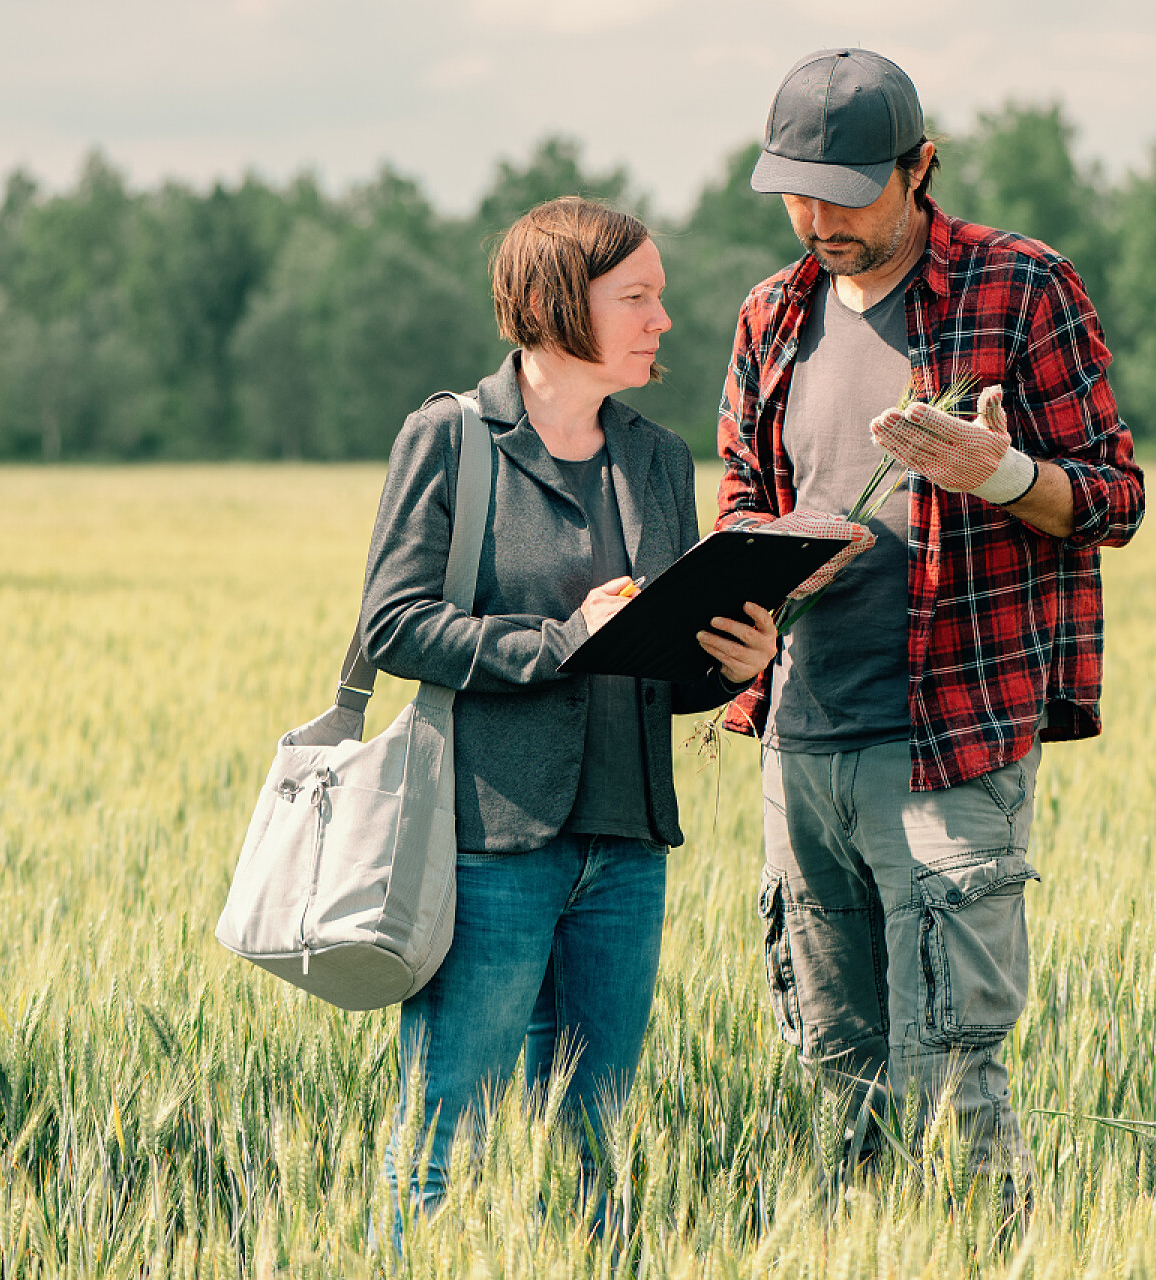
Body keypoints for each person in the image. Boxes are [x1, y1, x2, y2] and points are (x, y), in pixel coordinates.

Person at [714, 49, 1146, 1201]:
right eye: (797, 191)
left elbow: (1114, 497)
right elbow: (742, 509)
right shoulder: (771, 314)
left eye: (849, 191)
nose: (820, 218)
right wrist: (766, 588)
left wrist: (1004, 476)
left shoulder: (1022, 289)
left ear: (920, 168)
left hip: (950, 739)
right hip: (801, 739)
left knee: (955, 1071)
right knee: (837, 1061)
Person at [359, 196, 779, 1217]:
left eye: (660, 298)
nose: (661, 320)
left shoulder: (656, 455)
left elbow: (658, 661)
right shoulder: (452, 436)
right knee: (439, 1141)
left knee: (601, 1147)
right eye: (636, 297)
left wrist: (736, 661)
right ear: (555, 304)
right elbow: (396, 623)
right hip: (489, 843)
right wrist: (557, 641)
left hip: (626, 844)